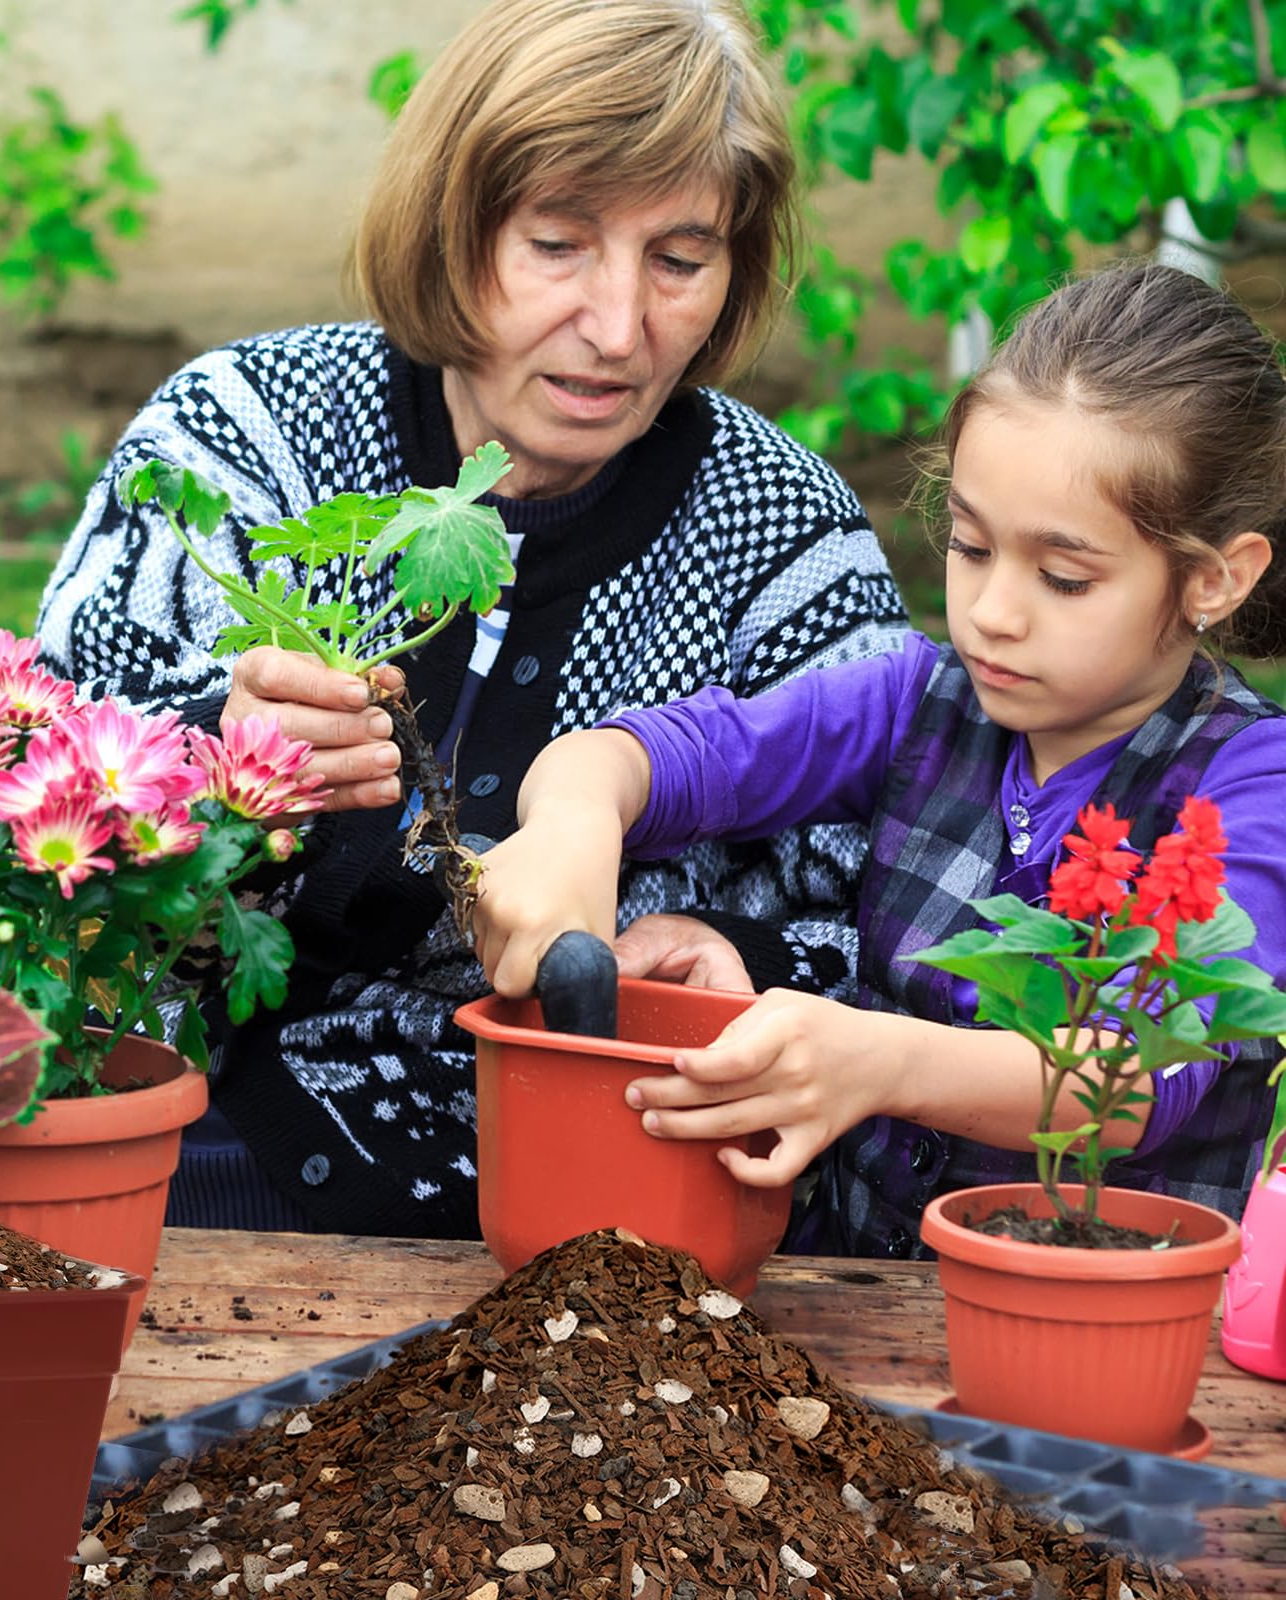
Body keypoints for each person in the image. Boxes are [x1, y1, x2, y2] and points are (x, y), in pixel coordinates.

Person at [34, 0, 907, 1239]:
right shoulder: (249, 432)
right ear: (451, 229)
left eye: (679, 258)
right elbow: (32, 806)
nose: (618, 328)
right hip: (194, 1156)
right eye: (557, 244)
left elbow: (896, 921)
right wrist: (212, 753)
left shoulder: (780, 532)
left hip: (603, 1215)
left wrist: (721, 956)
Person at [473, 261, 1286, 1258]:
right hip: (855, 1307)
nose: (991, 612)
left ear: (1214, 578)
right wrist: (573, 820)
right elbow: (659, 753)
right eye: (970, 546)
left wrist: (882, 1060)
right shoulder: (913, 700)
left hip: (1097, 1340)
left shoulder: (1250, 787)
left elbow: (1137, 1076)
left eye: (1064, 577)